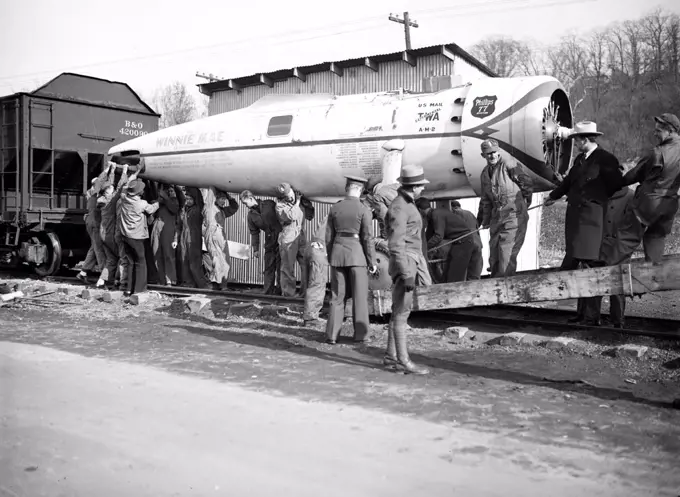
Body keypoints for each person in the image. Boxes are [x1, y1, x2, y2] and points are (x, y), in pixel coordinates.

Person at [544, 121, 624, 325]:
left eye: (577, 140)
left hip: (592, 220)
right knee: (581, 265)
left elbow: (616, 185)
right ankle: (582, 314)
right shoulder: (580, 159)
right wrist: (553, 196)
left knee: (591, 266)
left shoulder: (606, 159)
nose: (576, 144)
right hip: (576, 220)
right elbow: (568, 182)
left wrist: (596, 198)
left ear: (585, 139)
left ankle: (591, 317)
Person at [384, 164, 432, 375]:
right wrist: (406, 273)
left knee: (399, 310)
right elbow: (396, 244)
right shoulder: (400, 207)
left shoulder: (405, 204)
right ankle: (404, 361)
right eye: (421, 186)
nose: (423, 189)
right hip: (406, 263)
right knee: (402, 313)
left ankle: (390, 357)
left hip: (411, 261)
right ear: (414, 187)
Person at [325, 176, 377, 344]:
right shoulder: (363, 209)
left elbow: (328, 237)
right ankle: (361, 335)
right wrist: (372, 262)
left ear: (346, 188)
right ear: (360, 190)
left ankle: (332, 335)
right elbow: (367, 238)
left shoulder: (335, 208)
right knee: (359, 297)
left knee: (337, 297)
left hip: (338, 256)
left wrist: (331, 255)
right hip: (358, 257)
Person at [622, 113, 680, 263]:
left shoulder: (658, 153)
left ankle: (609, 273)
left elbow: (634, 175)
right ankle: (654, 278)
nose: (654, 134)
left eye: (658, 131)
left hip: (647, 205)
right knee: (655, 238)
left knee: (626, 238)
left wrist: (616, 182)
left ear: (670, 131)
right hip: (670, 205)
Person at [477, 139, 532, 277]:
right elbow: (486, 200)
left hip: (513, 216)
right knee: (494, 257)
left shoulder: (509, 165)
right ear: (483, 155)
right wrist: (485, 220)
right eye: (488, 154)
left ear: (499, 151)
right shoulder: (484, 174)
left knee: (506, 256)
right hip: (497, 219)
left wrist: (524, 204)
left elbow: (526, 184)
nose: (492, 156)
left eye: (494, 152)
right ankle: (496, 289)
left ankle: (506, 290)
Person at [595, 182, 643, 328]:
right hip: (598, 246)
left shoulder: (631, 197)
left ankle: (617, 320)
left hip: (619, 248)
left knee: (618, 285)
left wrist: (621, 248)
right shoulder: (599, 193)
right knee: (593, 282)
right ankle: (591, 319)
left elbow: (635, 228)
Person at [118, 178, 159, 295]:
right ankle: (139, 289)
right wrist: (159, 202)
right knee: (141, 262)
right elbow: (151, 209)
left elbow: (124, 188)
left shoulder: (124, 199)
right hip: (137, 237)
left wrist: (132, 179)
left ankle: (129, 289)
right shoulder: (141, 204)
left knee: (131, 262)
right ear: (139, 193)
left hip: (125, 236)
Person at [95, 163, 133, 288]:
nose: (112, 188)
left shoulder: (101, 200)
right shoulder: (111, 201)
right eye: (110, 188)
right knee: (122, 257)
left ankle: (102, 280)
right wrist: (125, 171)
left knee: (111, 259)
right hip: (111, 234)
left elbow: (108, 185)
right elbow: (119, 188)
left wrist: (112, 170)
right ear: (107, 192)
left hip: (102, 234)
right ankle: (121, 281)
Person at [240, 190, 282, 295]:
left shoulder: (269, 204)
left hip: (281, 237)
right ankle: (268, 292)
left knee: (281, 266)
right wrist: (256, 249)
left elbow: (282, 214)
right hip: (269, 240)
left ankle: (281, 292)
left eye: (245, 203)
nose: (245, 206)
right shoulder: (251, 216)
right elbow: (255, 233)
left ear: (250, 198)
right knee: (268, 267)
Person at [76, 162, 113, 281]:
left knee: (94, 247)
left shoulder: (92, 194)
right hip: (95, 223)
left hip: (92, 223)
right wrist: (108, 170)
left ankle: (83, 272)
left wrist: (111, 172)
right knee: (99, 249)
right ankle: (104, 276)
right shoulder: (95, 193)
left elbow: (107, 184)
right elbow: (102, 182)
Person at [274, 183, 312, 297]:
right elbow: (292, 216)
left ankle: (305, 292)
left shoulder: (299, 203)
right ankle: (288, 294)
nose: (289, 198)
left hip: (300, 235)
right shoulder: (280, 206)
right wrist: (298, 202)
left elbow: (310, 215)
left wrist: (307, 204)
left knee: (306, 264)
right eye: (286, 197)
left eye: (290, 195)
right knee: (287, 267)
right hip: (288, 235)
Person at [204, 189, 239, 290]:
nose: (223, 201)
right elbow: (210, 195)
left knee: (225, 261)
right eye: (221, 199)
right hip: (212, 234)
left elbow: (234, 207)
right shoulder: (210, 208)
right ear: (216, 198)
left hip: (221, 236)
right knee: (217, 260)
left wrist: (229, 197)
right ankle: (215, 284)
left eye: (224, 199)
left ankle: (223, 285)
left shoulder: (222, 211)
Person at [177, 188, 209, 289]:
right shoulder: (185, 209)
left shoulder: (199, 208)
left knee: (194, 263)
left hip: (193, 238)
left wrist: (191, 186)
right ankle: (189, 283)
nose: (188, 201)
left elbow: (199, 198)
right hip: (184, 238)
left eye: (190, 199)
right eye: (186, 199)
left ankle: (201, 284)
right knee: (184, 260)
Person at [302, 215, 330, 327]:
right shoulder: (339, 215)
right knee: (317, 285)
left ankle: (310, 313)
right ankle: (310, 318)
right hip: (319, 250)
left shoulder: (330, 215)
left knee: (311, 284)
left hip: (312, 248)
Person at [150, 184, 180, 286]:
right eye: (168, 191)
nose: (170, 193)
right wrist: (157, 202)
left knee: (168, 254)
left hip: (168, 228)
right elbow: (150, 218)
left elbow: (174, 209)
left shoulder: (174, 201)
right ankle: (161, 278)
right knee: (156, 253)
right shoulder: (158, 203)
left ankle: (171, 279)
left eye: (171, 191)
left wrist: (166, 198)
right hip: (157, 227)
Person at [449, 200, 483, 281]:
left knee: (462, 270)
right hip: (477, 242)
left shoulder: (454, 213)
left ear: (452, 207)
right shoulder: (470, 213)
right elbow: (477, 226)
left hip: (466, 242)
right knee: (475, 270)